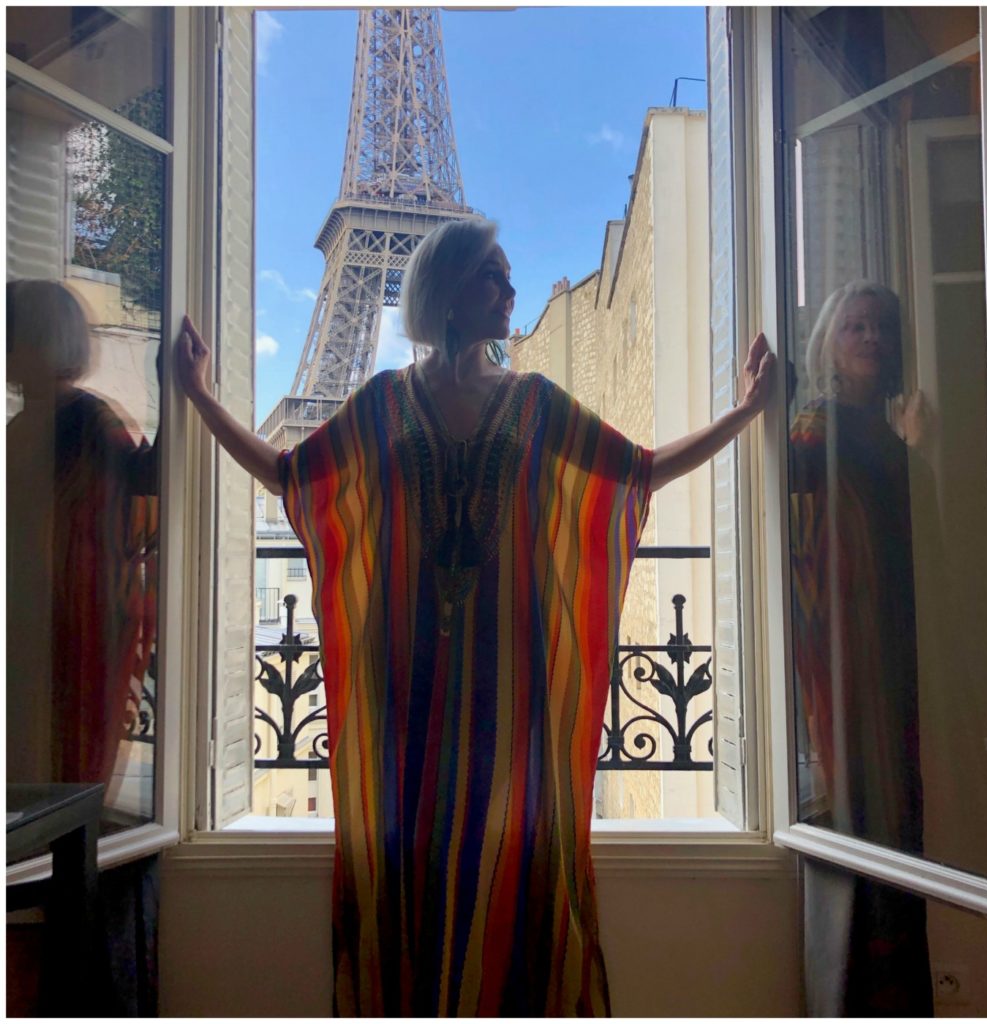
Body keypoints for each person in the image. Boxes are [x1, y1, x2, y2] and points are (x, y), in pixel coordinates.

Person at [177, 218, 774, 1017]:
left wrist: (745, 413)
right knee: (407, 870)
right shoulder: (384, 403)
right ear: (448, 293)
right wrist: (201, 398)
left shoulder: (534, 402)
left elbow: (639, 472)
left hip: (512, 688)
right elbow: (290, 475)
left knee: (521, 872)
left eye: (508, 274)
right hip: (404, 692)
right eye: (493, 276)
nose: (511, 290)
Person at [788, 280, 932, 1015]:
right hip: (852, 653)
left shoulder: (892, 424)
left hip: (908, 638)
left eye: (882, 327)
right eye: (856, 326)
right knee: (868, 803)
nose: (872, 337)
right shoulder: (816, 426)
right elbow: (803, 545)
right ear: (831, 345)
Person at [7, 280, 159, 797]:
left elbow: (149, 484)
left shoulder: (86, 421)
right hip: (44, 620)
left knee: (58, 771)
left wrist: (179, 390)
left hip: (74, 624)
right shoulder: (30, 426)